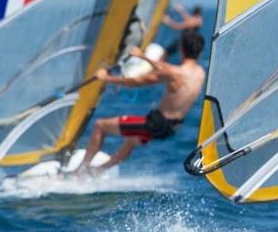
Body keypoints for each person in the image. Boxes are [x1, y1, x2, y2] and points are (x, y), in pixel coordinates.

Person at [76, 30, 206, 175]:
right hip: (174, 127)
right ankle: (98, 170)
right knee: (131, 141)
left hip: (157, 123)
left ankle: (81, 170)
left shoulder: (175, 73)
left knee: (100, 125)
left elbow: (138, 81)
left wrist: (107, 78)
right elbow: (164, 68)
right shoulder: (200, 73)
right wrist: (144, 58)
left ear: (182, 49)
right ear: (200, 52)